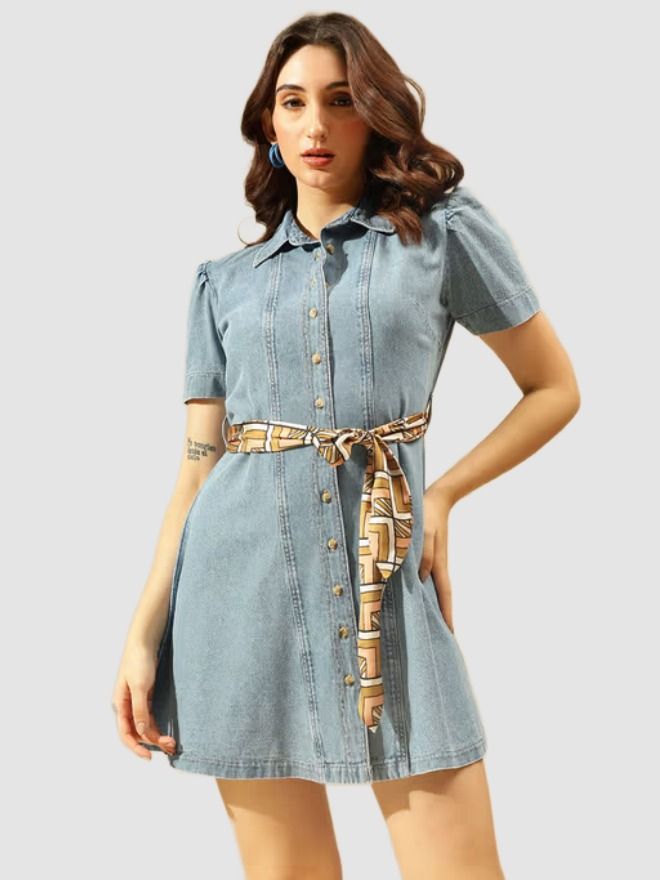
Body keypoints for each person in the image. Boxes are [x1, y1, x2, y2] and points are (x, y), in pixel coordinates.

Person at [112, 12, 580, 880]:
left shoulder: (441, 233)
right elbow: (196, 473)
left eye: (341, 100)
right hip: (237, 600)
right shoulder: (223, 284)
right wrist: (142, 634)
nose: (316, 125)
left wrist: (441, 496)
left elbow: (554, 389)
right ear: (269, 123)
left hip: (387, 585)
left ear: (376, 114)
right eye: (293, 103)